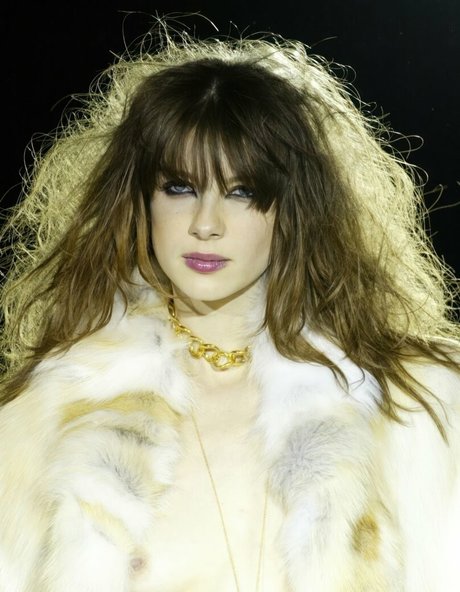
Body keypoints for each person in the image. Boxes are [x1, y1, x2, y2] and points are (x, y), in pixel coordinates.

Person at [0, 24, 459, 592]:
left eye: (242, 192)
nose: (206, 224)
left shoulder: (420, 409)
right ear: (139, 201)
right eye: (180, 187)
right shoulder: (48, 414)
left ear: (293, 209)